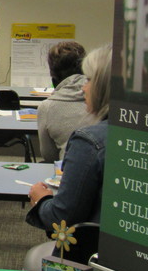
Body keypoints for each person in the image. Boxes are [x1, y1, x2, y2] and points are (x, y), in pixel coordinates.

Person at [27, 45, 111, 231]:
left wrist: (41, 200)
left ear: (103, 87)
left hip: (91, 242)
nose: (83, 88)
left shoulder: (88, 142)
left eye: (89, 80)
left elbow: (60, 217)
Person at [37, 41, 92, 162]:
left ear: (53, 78)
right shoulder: (102, 98)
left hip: (69, 168)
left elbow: (49, 156)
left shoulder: (46, 107)